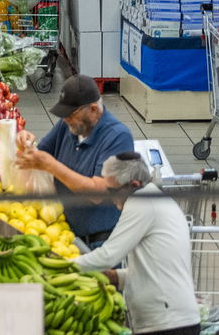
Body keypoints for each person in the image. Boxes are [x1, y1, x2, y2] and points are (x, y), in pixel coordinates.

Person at [74, 153, 200, 335]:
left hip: (167, 329)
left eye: (112, 191)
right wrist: (117, 277)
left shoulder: (143, 201)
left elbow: (107, 254)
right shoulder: (152, 198)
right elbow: (156, 266)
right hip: (167, 326)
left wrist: (62, 265)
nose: (109, 198)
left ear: (132, 185)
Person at [15, 74, 136, 247]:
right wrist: (25, 142)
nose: (65, 119)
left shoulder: (118, 138)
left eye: (71, 114)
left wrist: (52, 166)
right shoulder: (68, 126)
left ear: (93, 110)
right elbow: (40, 155)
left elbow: (97, 193)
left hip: (98, 245)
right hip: (63, 235)